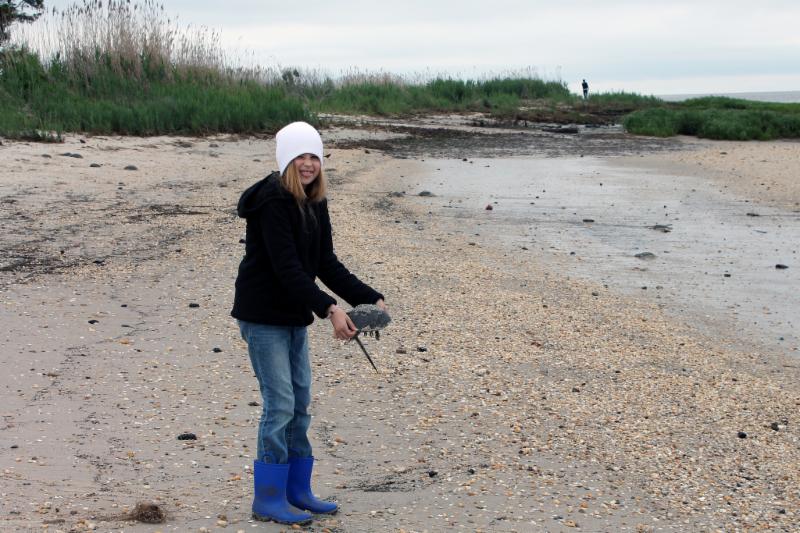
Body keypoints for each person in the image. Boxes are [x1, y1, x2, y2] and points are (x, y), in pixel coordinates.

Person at [232, 121, 386, 524]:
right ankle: (267, 498)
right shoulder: (271, 201)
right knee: (279, 404)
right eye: (300, 156)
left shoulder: (314, 201)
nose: (307, 164)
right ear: (286, 159)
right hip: (262, 314)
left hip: (292, 315)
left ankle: (297, 490)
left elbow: (324, 263)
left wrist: (367, 297)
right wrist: (330, 310)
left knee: (300, 405)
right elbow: (286, 269)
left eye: (314, 156)